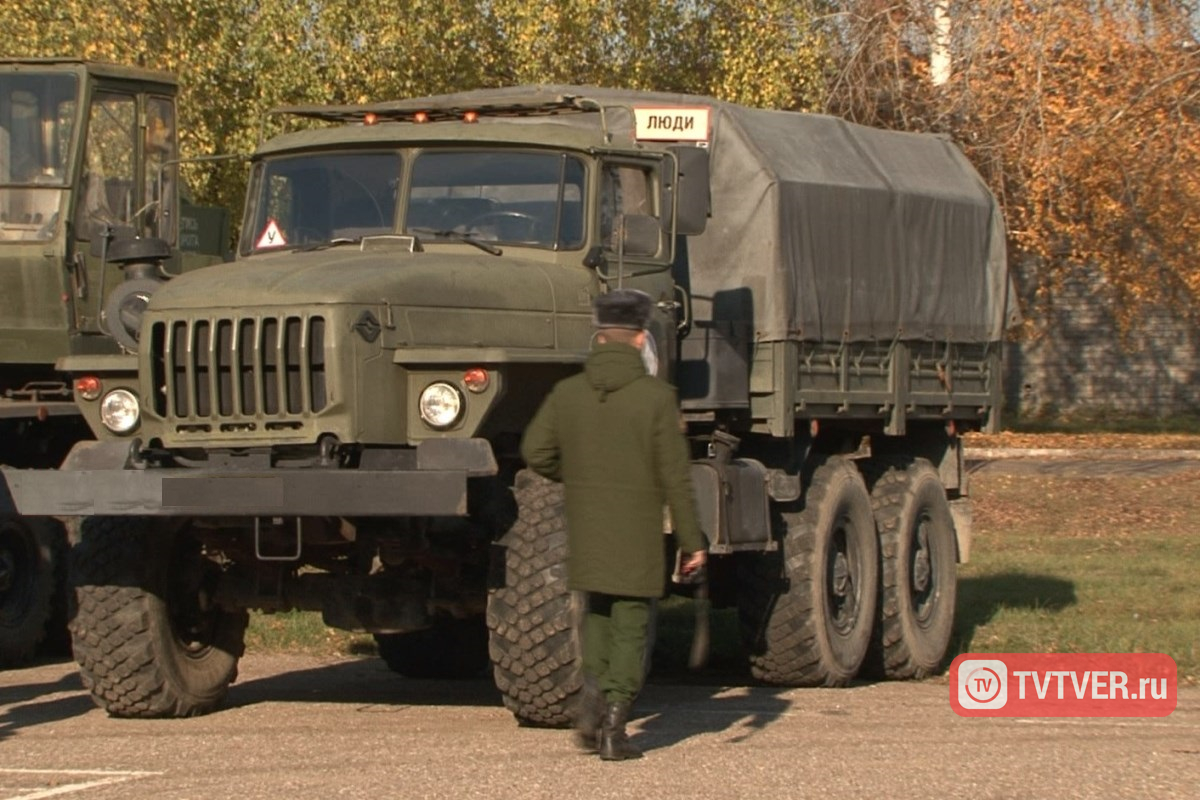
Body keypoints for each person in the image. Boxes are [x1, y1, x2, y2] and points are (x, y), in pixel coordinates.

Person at [520, 288, 708, 761]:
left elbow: (535, 452)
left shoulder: (567, 393)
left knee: (596, 615)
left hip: (588, 525)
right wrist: (692, 541)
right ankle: (615, 727)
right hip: (637, 529)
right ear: (641, 338)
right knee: (630, 621)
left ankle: (591, 701)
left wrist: (578, 476)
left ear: (599, 336)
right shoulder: (656, 399)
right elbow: (675, 478)